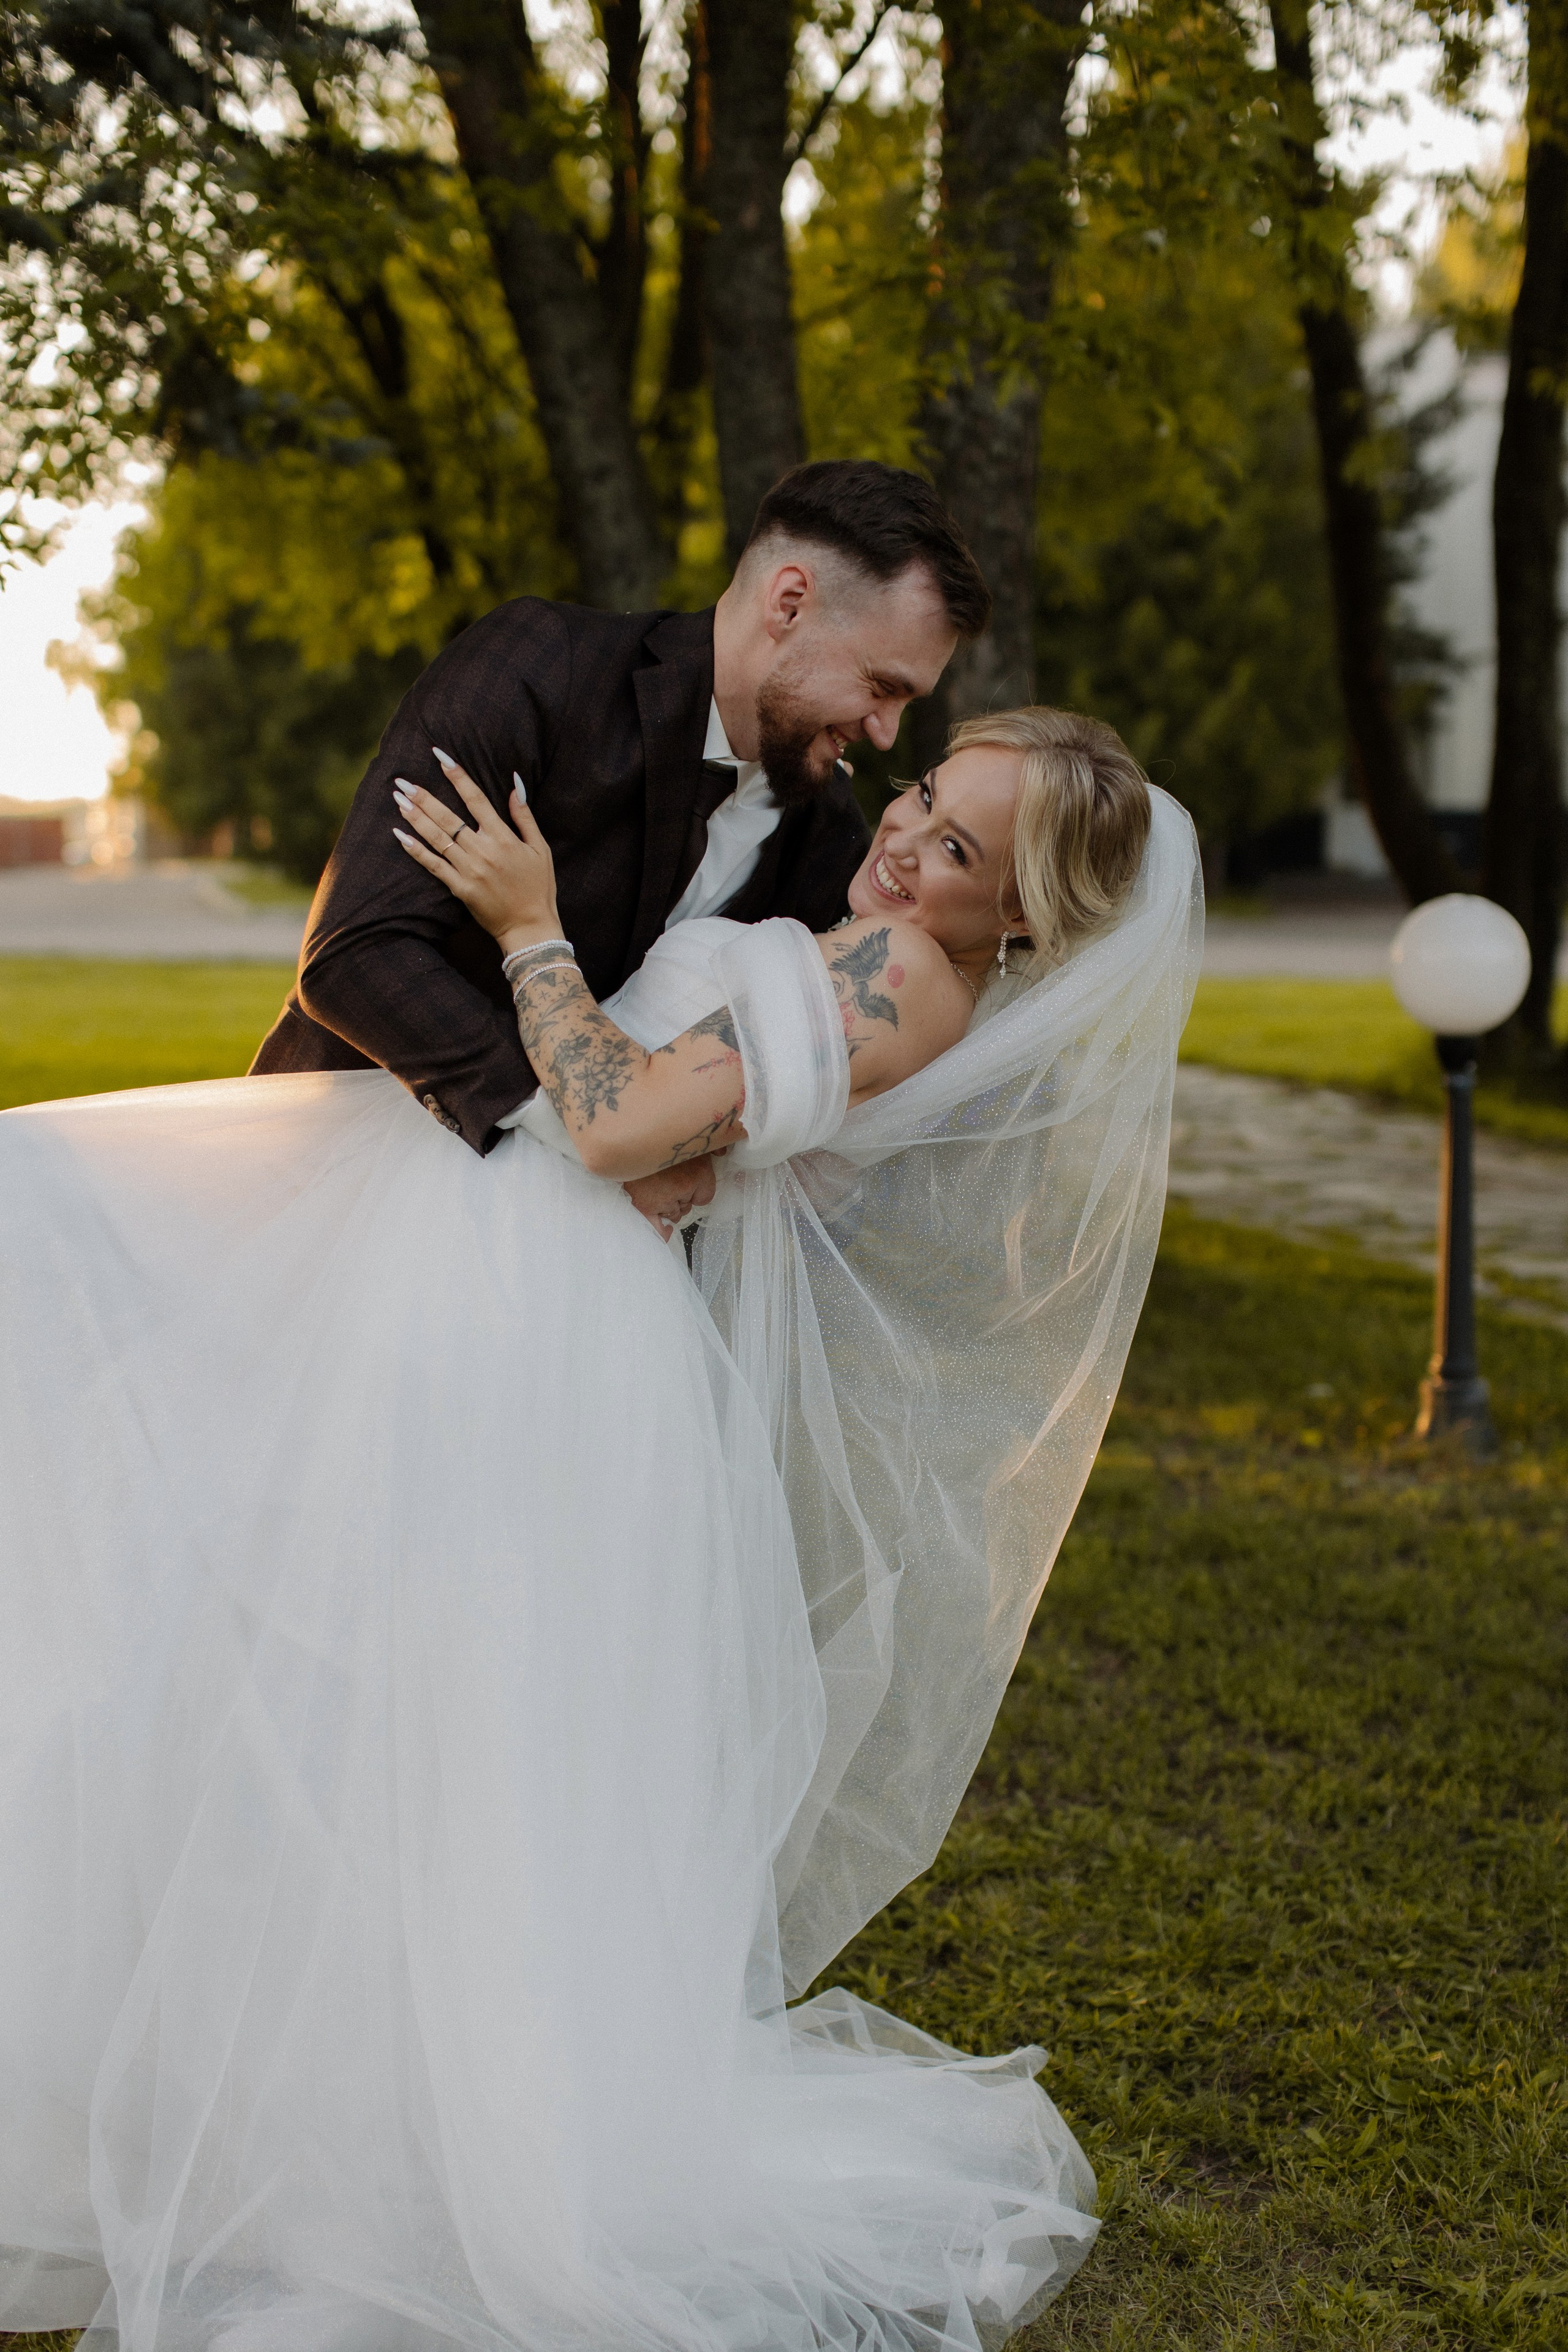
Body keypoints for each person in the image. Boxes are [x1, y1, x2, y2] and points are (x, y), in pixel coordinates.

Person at [0, 707, 1203, 2352]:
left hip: (537, 1304)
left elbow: (616, 1123)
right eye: (923, 798)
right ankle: (297, 2083)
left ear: (1018, 913)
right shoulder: (876, 946)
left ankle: (377, 2125)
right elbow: (714, 1134)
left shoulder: (899, 977)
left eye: (958, 851)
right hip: (516, 1259)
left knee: (385, 1688)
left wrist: (529, 927)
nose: (904, 841)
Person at [249, 457, 990, 1242]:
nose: (886, 733)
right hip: (346, 1183)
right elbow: (355, 950)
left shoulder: (830, 834)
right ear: (789, 603)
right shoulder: (543, 668)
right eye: (881, 686)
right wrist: (589, 1138)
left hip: (594, 1264)